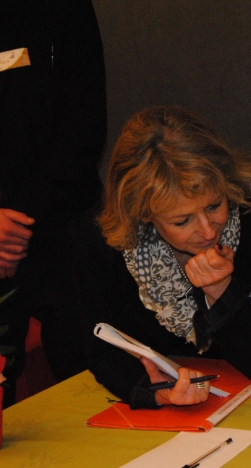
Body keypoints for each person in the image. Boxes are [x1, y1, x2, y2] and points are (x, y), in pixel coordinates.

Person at [72, 106, 251, 409]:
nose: (208, 231)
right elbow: (102, 352)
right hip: (166, 408)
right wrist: (156, 392)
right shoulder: (101, 238)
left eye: (214, 206)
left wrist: (221, 290)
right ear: (143, 214)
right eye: (182, 221)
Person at [0, 0, 106, 405]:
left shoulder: (62, 9)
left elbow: (84, 126)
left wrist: (15, 223)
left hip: (63, 227)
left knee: (95, 383)